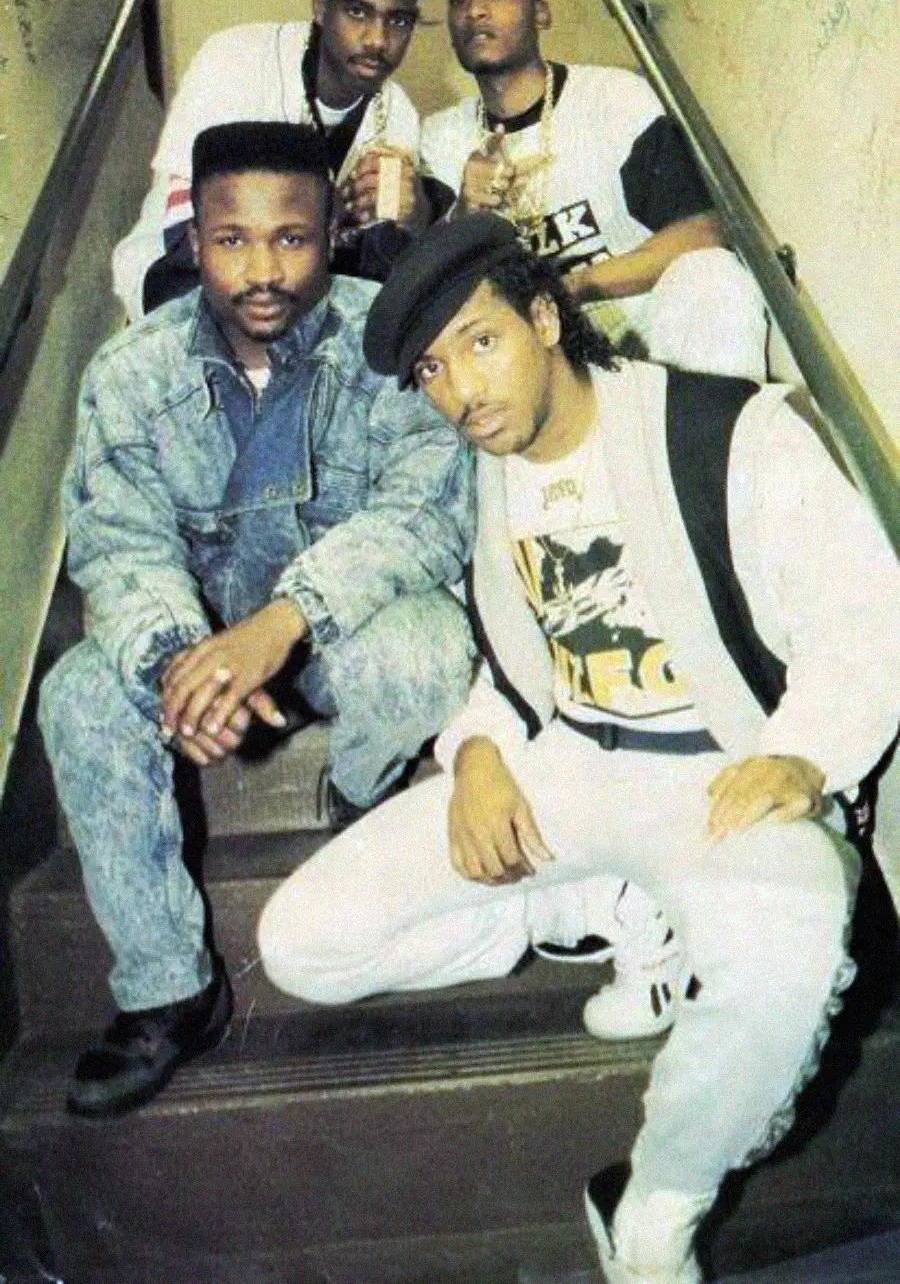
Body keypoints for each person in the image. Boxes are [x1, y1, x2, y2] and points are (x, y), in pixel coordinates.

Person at [257, 215, 900, 1283]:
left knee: (793, 922)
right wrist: (474, 754)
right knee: (300, 942)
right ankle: (618, 909)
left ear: (547, 318)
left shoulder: (721, 429)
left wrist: (805, 752)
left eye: (480, 342)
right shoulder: (493, 479)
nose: (461, 391)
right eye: (432, 369)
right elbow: (514, 664)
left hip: (718, 776)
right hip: (575, 764)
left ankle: (655, 1204)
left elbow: (869, 610)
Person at [38, 122, 475, 1119]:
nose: (264, 268)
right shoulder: (130, 371)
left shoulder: (394, 341)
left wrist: (286, 620)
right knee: (76, 693)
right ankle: (169, 987)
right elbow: (118, 546)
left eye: (292, 237)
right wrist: (172, 663)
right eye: (234, 239)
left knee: (428, 649)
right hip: (199, 629)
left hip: (332, 628)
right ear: (195, 242)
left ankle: (367, 803)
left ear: (334, 234)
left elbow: (427, 514)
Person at [420, 0, 767, 379]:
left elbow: (701, 230)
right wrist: (466, 211)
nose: (476, 11)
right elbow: (438, 297)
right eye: (459, 0)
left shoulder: (612, 98)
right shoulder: (441, 137)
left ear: (541, 12)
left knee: (717, 279)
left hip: (641, 335)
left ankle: (717, 438)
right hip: (533, 368)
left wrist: (579, 285)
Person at [113, 0, 437, 319]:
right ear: (321, 5)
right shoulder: (235, 59)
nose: (377, 39)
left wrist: (413, 221)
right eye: (357, 12)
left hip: (299, 309)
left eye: (398, 21)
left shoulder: (398, 113)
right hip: (182, 284)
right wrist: (322, 210)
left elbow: (381, 268)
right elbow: (184, 233)